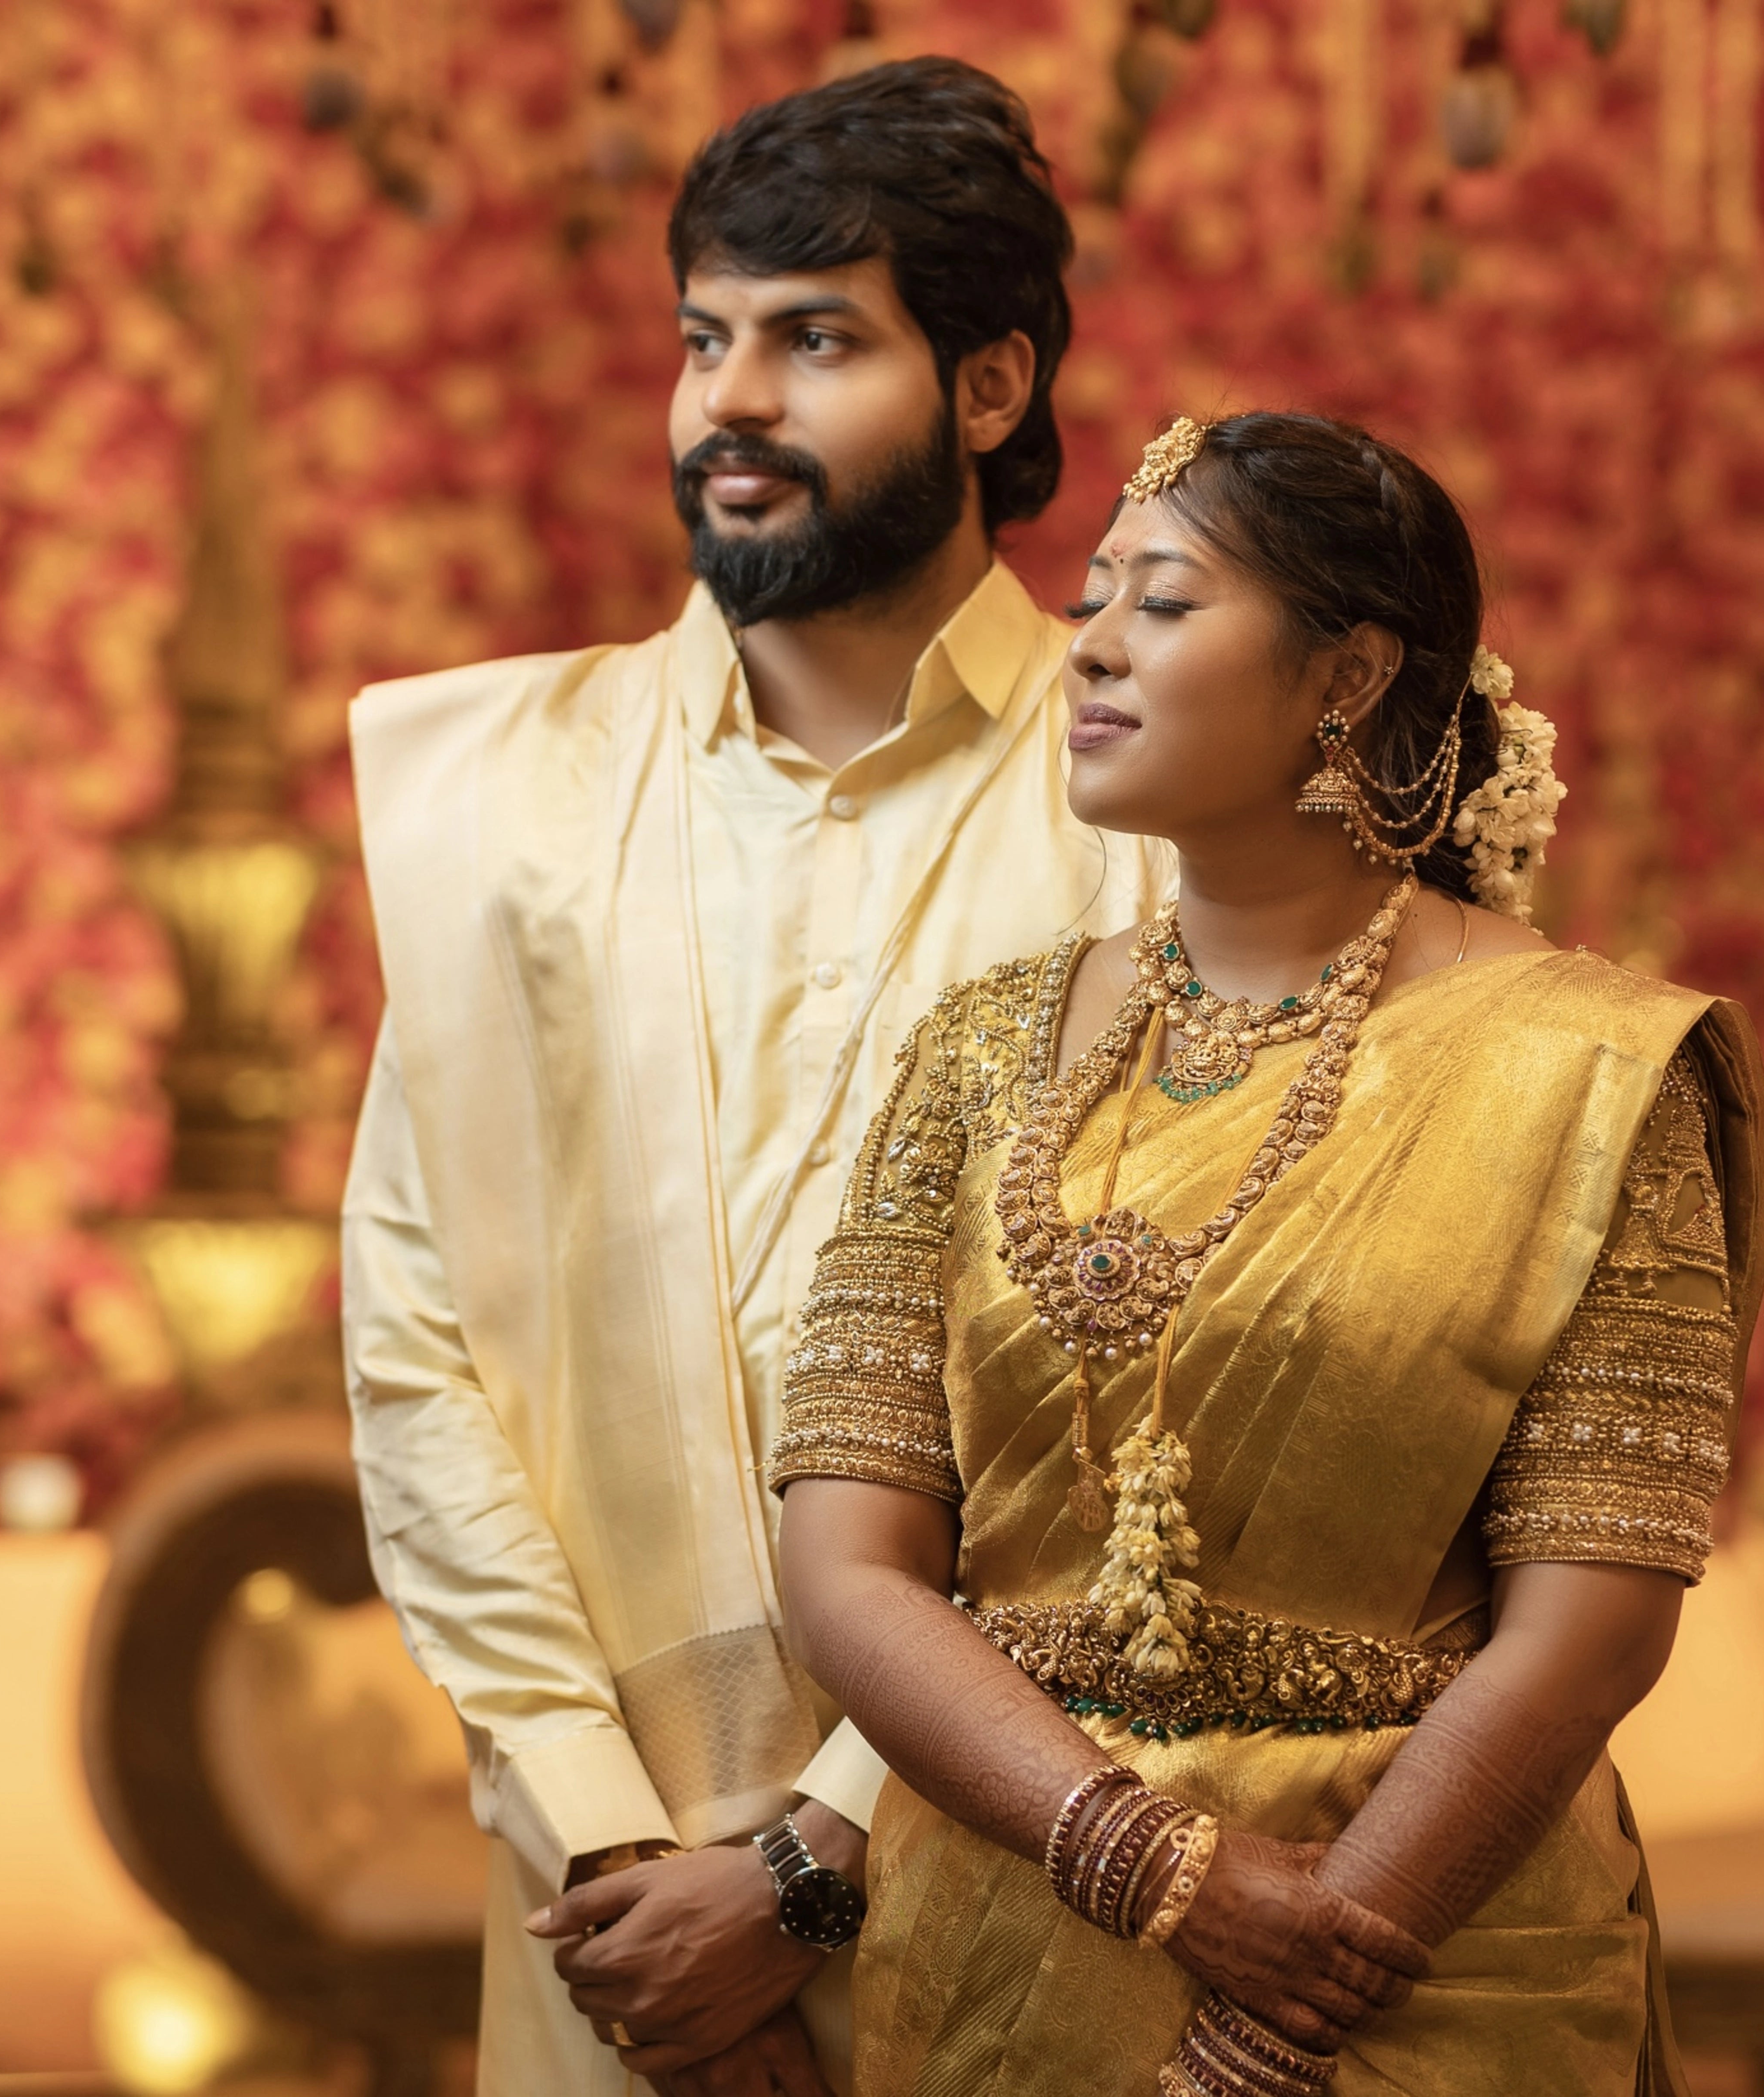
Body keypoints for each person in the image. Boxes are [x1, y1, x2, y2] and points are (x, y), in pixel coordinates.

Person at [769, 412, 1764, 2096]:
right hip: (1008, 1958)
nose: (1085, 643)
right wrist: (1146, 1859)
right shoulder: (975, 1050)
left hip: (1416, 1976)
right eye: (1090, 595)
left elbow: (1588, 1629)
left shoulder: (1591, 1071)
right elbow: (847, 1563)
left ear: (1345, 673)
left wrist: (1280, 2006)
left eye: (1158, 602)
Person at [341, 58, 1169, 2097]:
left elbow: (1187, 1389)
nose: (730, 404)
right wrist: (610, 1845)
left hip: (1035, 1876)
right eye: (704, 337)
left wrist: (817, 1860)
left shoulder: (1148, 812)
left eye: (816, 340)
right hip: (604, 1937)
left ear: (987, 388)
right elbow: (415, 1345)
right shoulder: (515, 805)